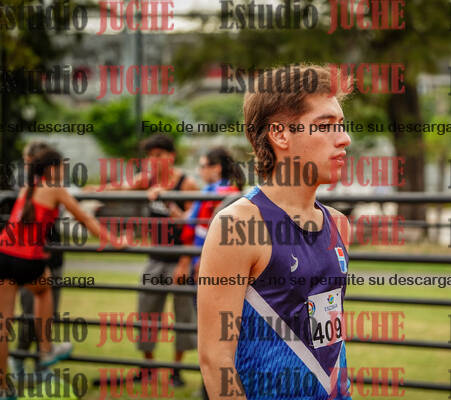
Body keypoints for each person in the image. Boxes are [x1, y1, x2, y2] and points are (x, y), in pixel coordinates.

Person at [197, 65, 353, 399]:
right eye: (325, 125)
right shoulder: (239, 225)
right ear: (280, 134)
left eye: (341, 125)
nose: (344, 138)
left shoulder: (338, 224)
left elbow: (327, 344)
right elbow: (215, 360)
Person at [0, 147, 127, 400]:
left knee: (4, 324)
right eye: (61, 166)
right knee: (43, 290)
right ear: (52, 168)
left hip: (4, 254)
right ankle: (46, 349)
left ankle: (3, 388)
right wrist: (115, 240)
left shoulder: (28, 187)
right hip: (29, 259)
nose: (64, 171)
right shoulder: (55, 189)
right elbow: (84, 219)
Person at [88, 134, 198, 387]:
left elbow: (193, 224)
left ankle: (177, 371)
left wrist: (185, 262)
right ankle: (148, 368)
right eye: (150, 156)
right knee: (146, 312)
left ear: (171, 157)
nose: (153, 160)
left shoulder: (187, 183)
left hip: (180, 258)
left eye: (159, 155)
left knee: (182, 315)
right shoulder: (146, 180)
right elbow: (122, 187)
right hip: (154, 257)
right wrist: (92, 191)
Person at [11, 141, 66, 376]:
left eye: (29, 161)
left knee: (48, 314)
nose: (27, 165)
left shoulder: (54, 184)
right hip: (29, 259)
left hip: (52, 257)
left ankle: (42, 366)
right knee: (29, 314)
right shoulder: (23, 185)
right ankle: (20, 357)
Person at [177, 146, 243, 287]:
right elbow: (190, 220)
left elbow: (217, 233)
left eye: (202, 166)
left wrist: (203, 261)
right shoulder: (213, 191)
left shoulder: (219, 194)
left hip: (209, 263)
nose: (199, 171)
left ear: (217, 168)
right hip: (206, 260)